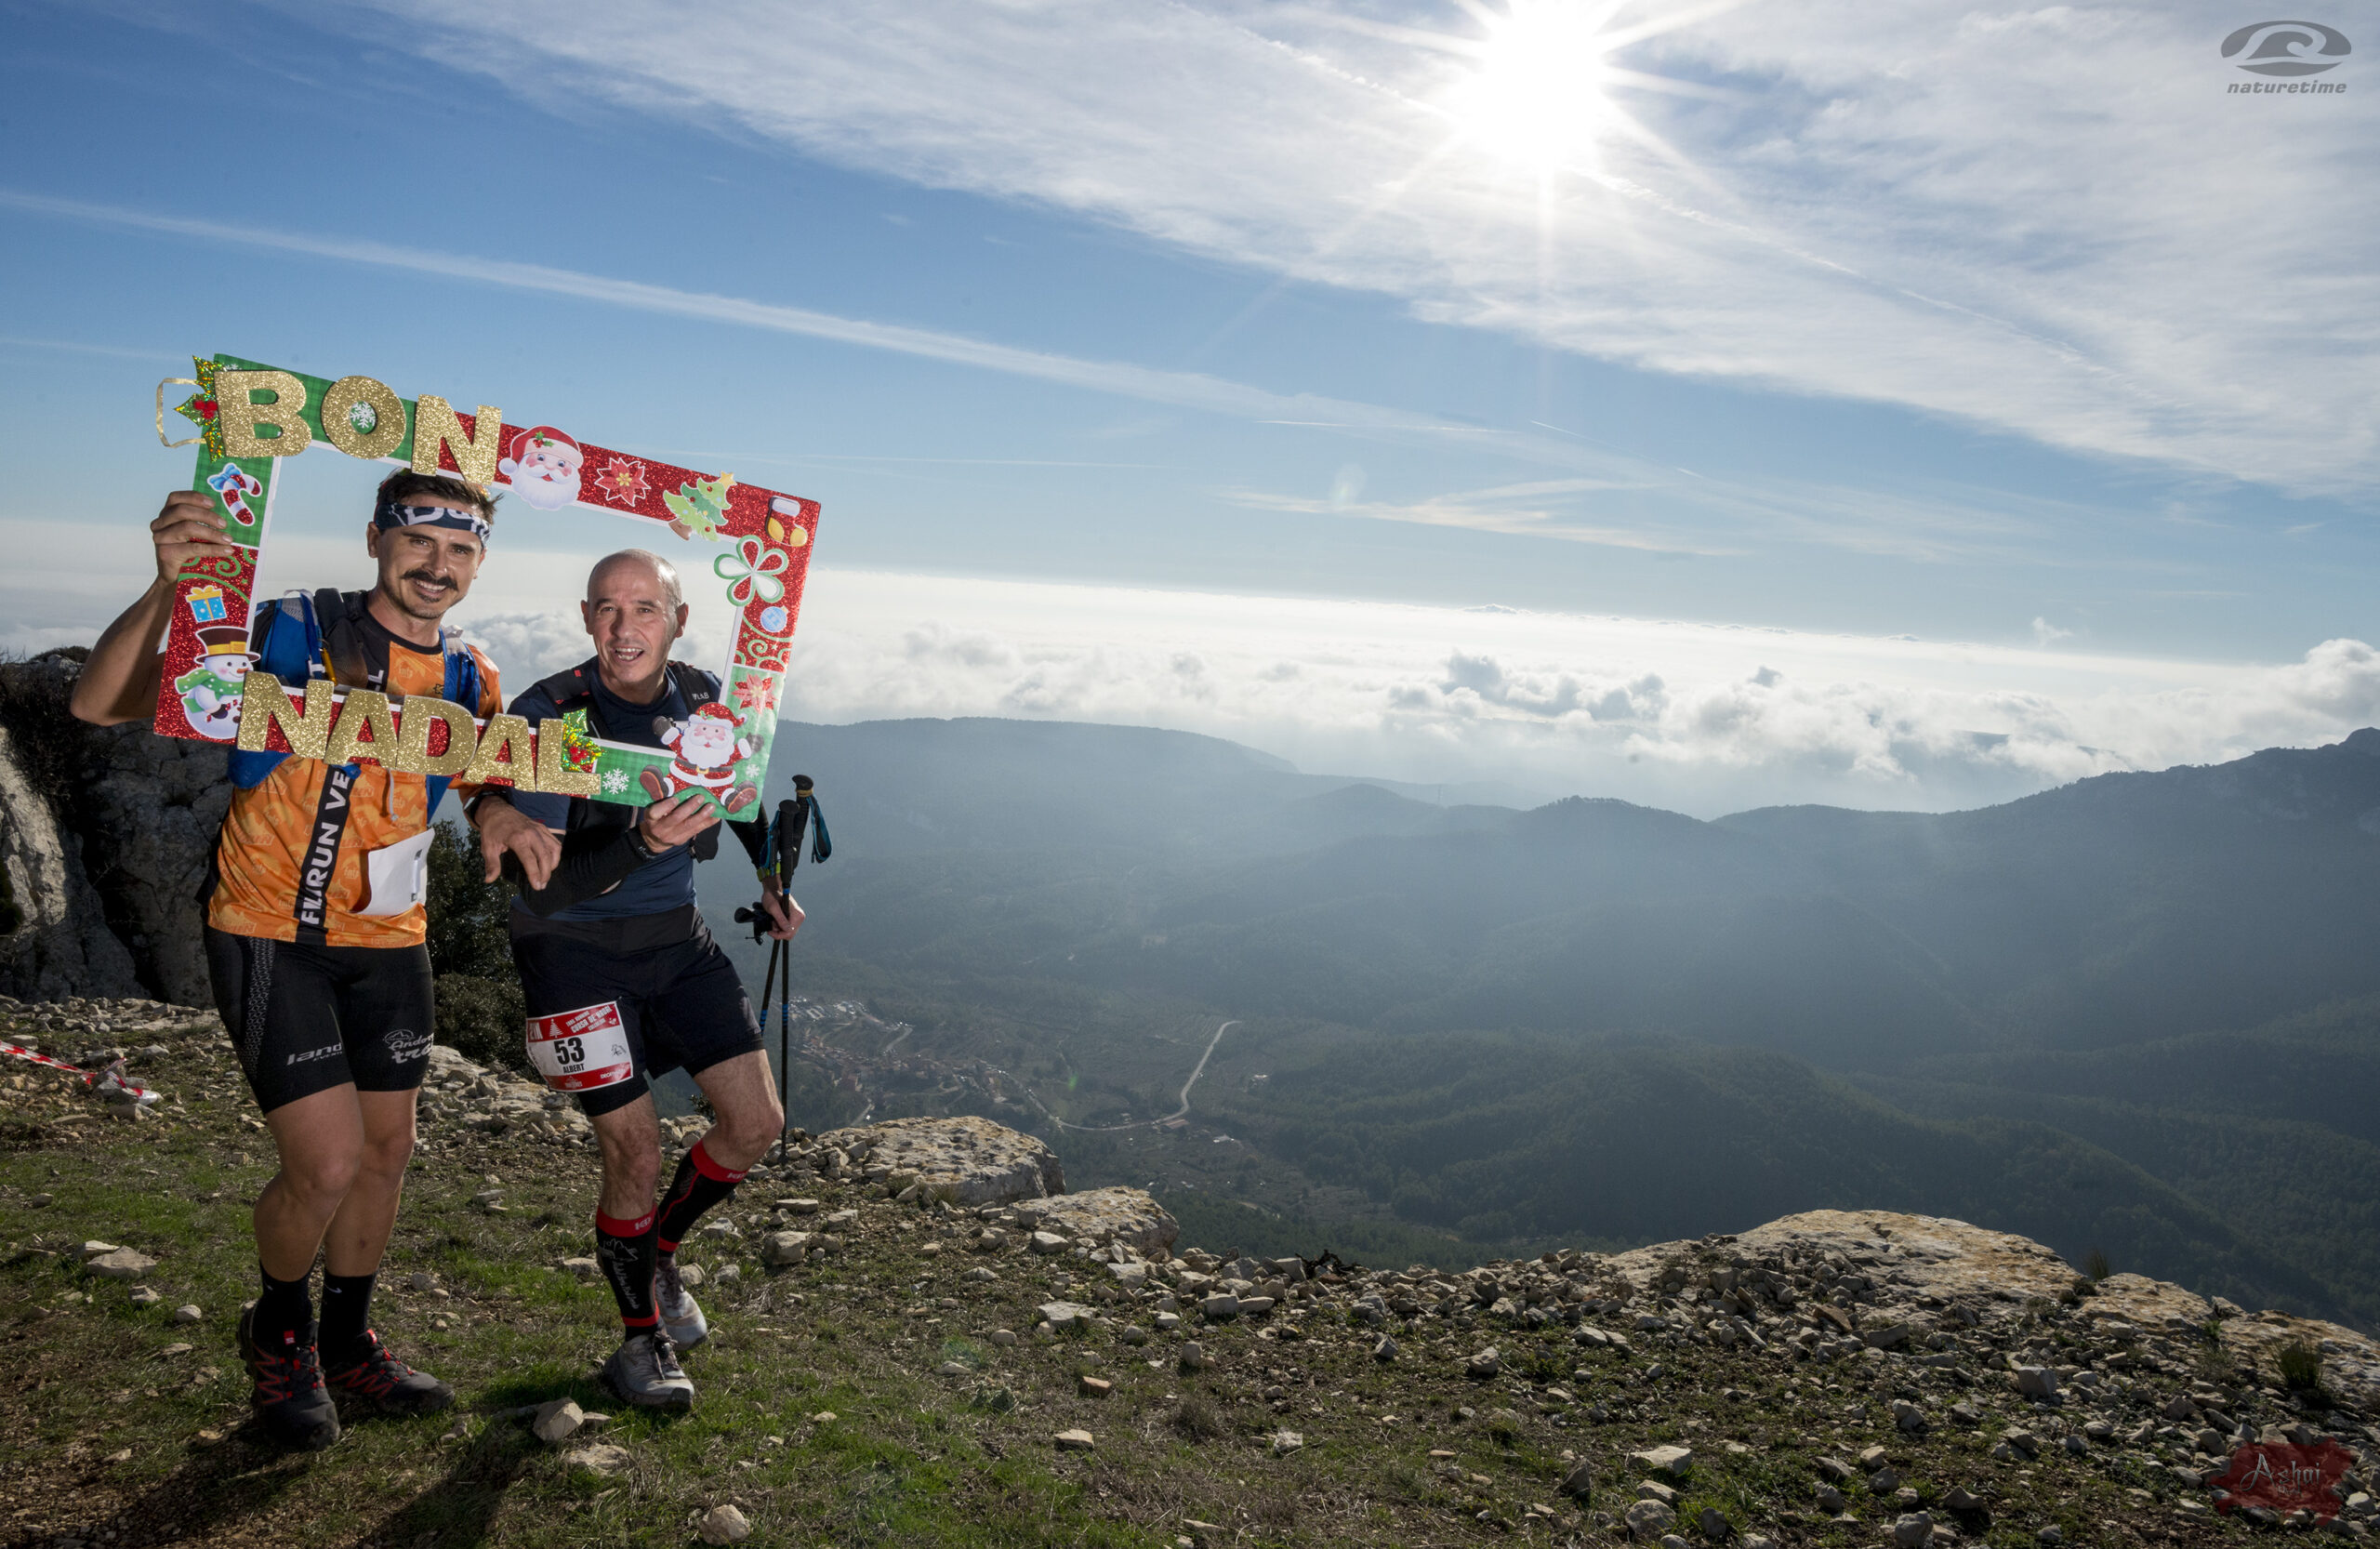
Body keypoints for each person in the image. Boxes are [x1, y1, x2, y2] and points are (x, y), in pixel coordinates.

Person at [72, 471, 506, 1450]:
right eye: (419, 540)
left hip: (391, 943)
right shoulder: (289, 631)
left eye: (462, 548)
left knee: (386, 1154)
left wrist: (503, 807)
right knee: (327, 1163)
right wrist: (169, 590)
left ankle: (348, 1342)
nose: (438, 564)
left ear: (480, 563)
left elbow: (487, 781)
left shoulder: (473, 677)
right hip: (273, 932)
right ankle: (279, 1332)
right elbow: (100, 704)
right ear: (375, 539)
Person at [470, 549, 800, 1411]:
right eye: (609, 610)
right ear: (586, 618)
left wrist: (770, 877)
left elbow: (739, 791)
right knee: (637, 1150)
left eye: (646, 609)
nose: (626, 628)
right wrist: (644, 844)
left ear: (678, 621)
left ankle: (656, 1255)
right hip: (567, 949)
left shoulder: (699, 696)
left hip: (673, 941)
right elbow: (542, 883)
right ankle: (639, 1345)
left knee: (757, 1122)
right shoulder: (550, 716)